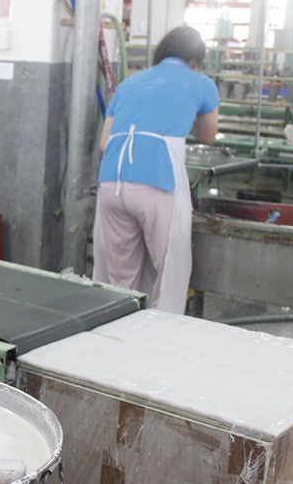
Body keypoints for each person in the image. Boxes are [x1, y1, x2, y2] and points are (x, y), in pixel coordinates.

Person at [92, 26, 219, 314]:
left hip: (113, 182)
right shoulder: (201, 83)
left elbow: (104, 143)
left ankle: (116, 338)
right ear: (196, 59)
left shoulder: (129, 83)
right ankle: (160, 342)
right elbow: (209, 135)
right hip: (157, 181)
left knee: (120, 279)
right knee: (170, 272)